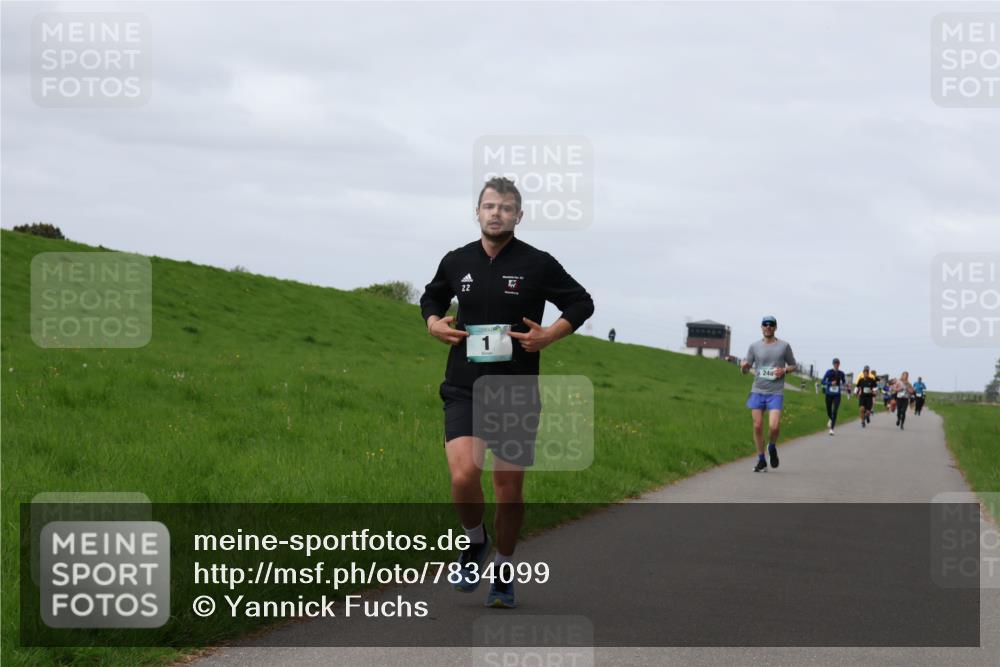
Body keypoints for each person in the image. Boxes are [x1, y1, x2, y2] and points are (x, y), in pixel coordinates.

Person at [420, 176, 594, 608]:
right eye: (490, 206)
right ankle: (475, 541)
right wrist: (433, 323)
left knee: (508, 489)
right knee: (463, 475)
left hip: (515, 390)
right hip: (464, 385)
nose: (496, 213)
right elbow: (432, 297)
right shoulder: (455, 261)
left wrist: (551, 334)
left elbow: (581, 301)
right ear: (476, 212)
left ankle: (504, 566)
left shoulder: (537, 263)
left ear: (519, 215)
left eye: (506, 208)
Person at [740, 316, 797, 472]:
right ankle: (761, 459)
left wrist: (784, 370)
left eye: (771, 324)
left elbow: (793, 365)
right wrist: (743, 366)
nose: (768, 327)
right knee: (757, 426)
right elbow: (746, 369)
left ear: (775, 327)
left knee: (774, 426)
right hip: (757, 390)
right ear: (761, 327)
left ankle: (771, 446)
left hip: (775, 392)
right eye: (765, 324)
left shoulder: (784, 346)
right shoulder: (754, 347)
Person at [820, 357, 847, 435]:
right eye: (835, 363)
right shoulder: (829, 372)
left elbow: (844, 382)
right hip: (829, 394)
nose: (836, 365)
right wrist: (830, 383)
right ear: (833, 364)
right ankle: (830, 419)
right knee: (829, 410)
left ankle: (832, 429)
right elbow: (822, 381)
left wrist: (845, 385)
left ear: (839, 364)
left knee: (834, 411)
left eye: (837, 363)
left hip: (837, 395)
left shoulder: (841, 373)